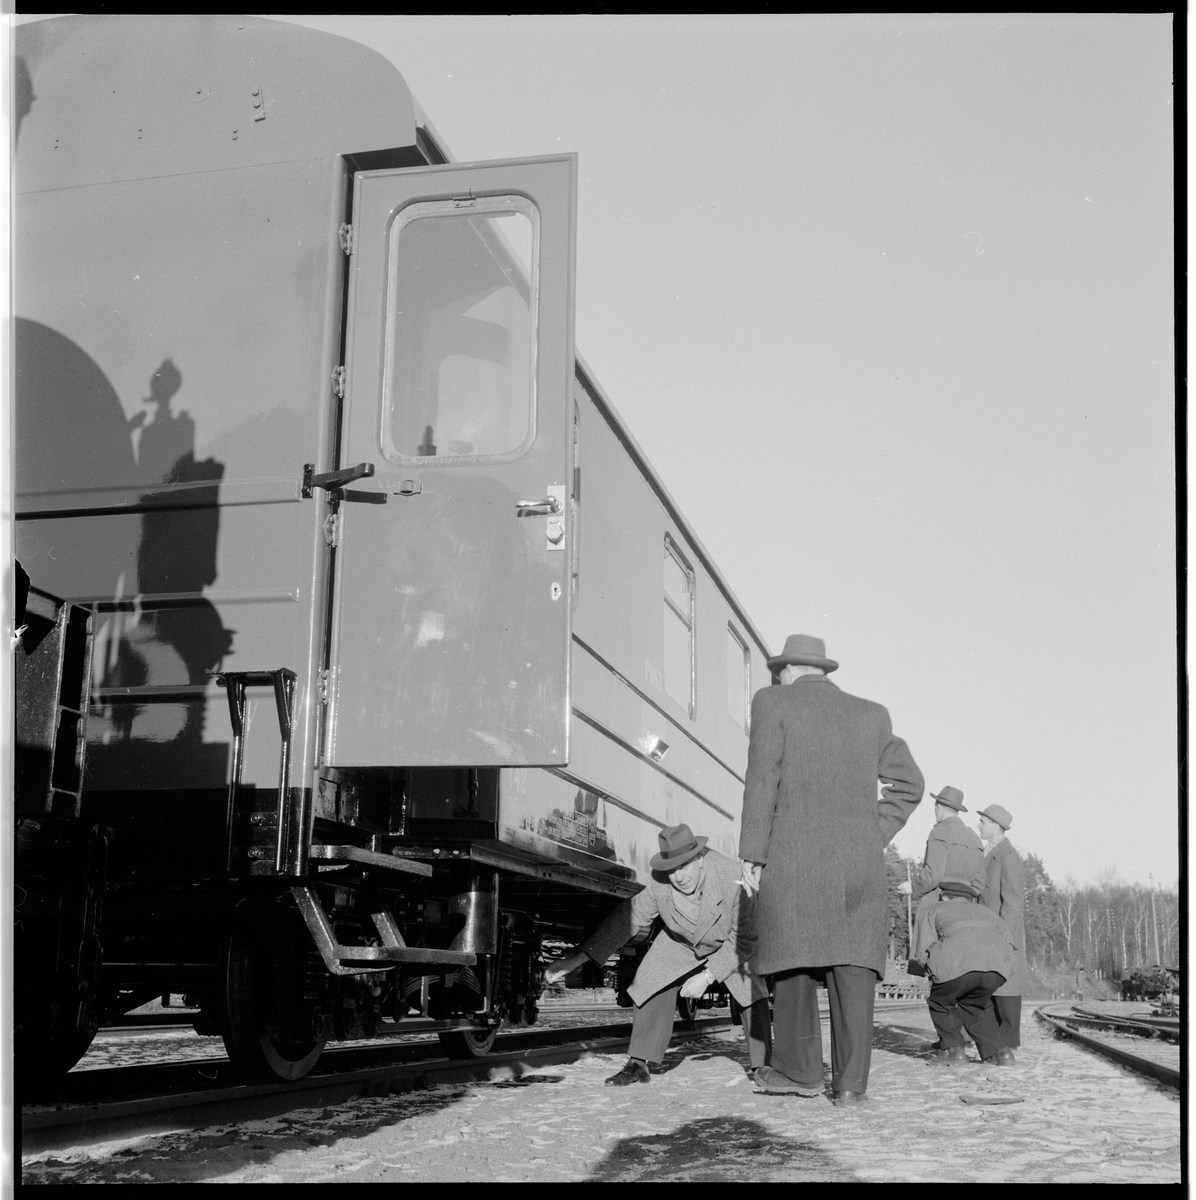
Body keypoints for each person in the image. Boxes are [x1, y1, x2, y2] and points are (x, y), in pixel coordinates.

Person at [739, 634, 924, 1105]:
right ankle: (850, 1087)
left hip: (791, 855)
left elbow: (763, 779)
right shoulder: (871, 713)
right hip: (857, 863)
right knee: (853, 967)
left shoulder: (771, 701)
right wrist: (872, 832)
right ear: (822, 670)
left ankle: (800, 1074)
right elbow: (909, 784)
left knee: (793, 963)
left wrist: (753, 854)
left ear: (788, 670)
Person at [544, 824, 771, 1086]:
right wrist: (575, 959)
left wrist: (707, 977)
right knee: (649, 979)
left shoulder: (732, 877)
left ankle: (763, 1067)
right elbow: (626, 920)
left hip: (731, 943)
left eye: (684, 866)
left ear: (699, 859)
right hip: (684, 942)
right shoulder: (660, 883)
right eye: (671, 869)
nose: (678, 876)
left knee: (751, 987)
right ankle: (638, 1064)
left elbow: (743, 941)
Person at [918, 883, 1017, 1066]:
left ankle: (953, 1051)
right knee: (974, 1006)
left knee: (940, 1002)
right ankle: (999, 1053)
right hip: (997, 970)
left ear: (945, 897)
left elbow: (924, 949)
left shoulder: (934, 910)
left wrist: (932, 974)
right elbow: (1010, 945)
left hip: (958, 964)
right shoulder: (988, 913)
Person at [977, 803, 1028, 1049]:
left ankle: (1007, 1043)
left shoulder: (1008, 856)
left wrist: (1003, 936)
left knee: (1006, 986)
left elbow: (1012, 903)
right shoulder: (989, 852)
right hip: (987, 931)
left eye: (983, 822)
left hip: (1000, 933)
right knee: (990, 983)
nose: (979, 826)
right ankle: (995, 1042)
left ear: (995, 826)